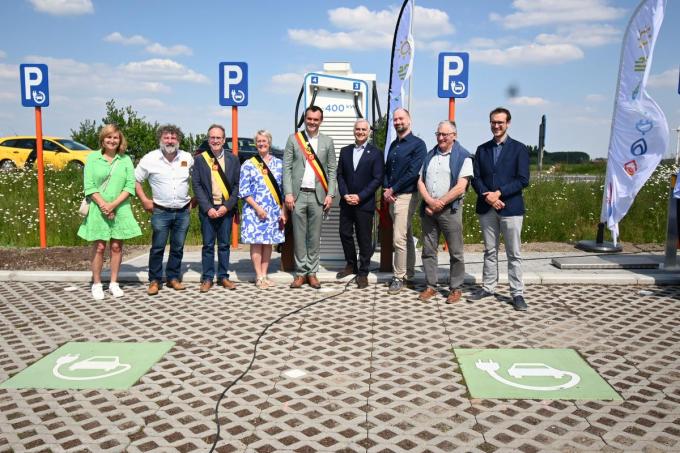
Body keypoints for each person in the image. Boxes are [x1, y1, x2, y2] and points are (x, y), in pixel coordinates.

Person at [470, 107, 530, 311]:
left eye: (500, 122)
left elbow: (523, 179)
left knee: (514, 253)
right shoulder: (482, 149)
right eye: (493, 122)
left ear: (508, 123)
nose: (496, 126)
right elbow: (476, 178)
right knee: (490, 251)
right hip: (487, 208)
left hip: (511, 208)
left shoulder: (519, 149)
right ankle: (488, 288)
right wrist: (488, 196)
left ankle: (517, 293)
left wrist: (499, 193)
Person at [77, 124, 141, 300]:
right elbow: (89, 186)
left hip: (120, 208)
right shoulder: (93, 158)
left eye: (115, 137)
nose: (112, 140)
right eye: (109, 137)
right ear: (102, 139)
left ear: (120, 140)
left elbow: (130, 186)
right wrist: (104, 205)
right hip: (98, 208)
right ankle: (97, 284)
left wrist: (113, 205)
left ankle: (114, 282)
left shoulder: (125, 160)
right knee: (99, 246)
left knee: (116, 246)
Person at [417, 120, 472, 304]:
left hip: (450, 211)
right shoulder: (430, 154)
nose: (440, 138)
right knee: (428, 250)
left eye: (445, 135)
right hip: (429, 210)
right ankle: (431, 286)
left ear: (454, 136)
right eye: (438, 134)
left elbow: (461, 186)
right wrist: (430, 201)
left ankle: (455, 289)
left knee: (456, 252)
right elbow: (420, 181)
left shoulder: (464, 156)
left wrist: (439, 203)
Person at [135, 124, 194, 296]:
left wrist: (195, 199)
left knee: (178, 247)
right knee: (158, 247)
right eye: (166, 137)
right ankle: (154, 280)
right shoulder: (150, 158)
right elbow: (135, 180)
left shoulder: (187, 157)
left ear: (178, 140)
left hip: (182, 211)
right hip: (160, 211)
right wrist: (144, 200)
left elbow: (199, 179)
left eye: (173, 138)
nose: (170, 141)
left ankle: (173, 278)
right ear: (160, 139)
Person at [283, 106, 337, 289]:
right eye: (309, 119)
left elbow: (332, 170)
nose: (312, 122)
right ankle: (300, 273)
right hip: (297, 196)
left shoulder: (328, 141)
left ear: (321, 121)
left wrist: (330, 193)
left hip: (318, 196)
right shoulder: (294, 139)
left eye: (316, 119)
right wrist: (288, 193)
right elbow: (287, 168)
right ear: (305, 119)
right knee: (299, 236)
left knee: (314, 236)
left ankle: (312, 273)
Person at [383, 108, 427, 294]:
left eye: (401, 118)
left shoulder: (418, 144)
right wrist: (386, 189)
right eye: (395, 119)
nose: (398, 122)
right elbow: (387, 169)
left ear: (409, 120)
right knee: (406, 236)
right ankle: (409, 274)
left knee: (398, 238)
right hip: (392, 196)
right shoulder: (394, 144)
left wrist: (393, 189)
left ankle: (398, 277)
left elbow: (413, 173)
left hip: (407, 195)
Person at [192, 124, 240, 292]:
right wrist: (207, 208)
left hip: (225, 210)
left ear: (224, 140)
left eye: (218, 137)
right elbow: (196, 185)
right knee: (208, 245)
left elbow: (237, 186)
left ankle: (223, 277)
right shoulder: (200, 159)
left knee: (224, 245)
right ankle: (207, 278)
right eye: (212, 137)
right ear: (208, 139)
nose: (215, 140)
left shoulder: (233, 159)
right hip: (208, 210)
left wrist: (227, 206)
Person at [336, 119, 383, 289]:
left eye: (364, 129)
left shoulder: (376, 153)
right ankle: (351, 265)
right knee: (344, 233)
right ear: (354, 131)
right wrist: (345, 194)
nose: (360, 132)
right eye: (358, 129)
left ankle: (363, 272)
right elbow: (340, 175)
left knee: (364, 238)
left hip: (364, 203)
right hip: (346, 202)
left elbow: (377, 178)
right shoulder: (345, 151)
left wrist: (360, 196)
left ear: (369, 132)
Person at [239, 130, 286, 289]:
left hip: (273, 211)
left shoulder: (279, 164)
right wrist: (258, 208)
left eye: (264, 141)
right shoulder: (249, 164)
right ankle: (258, 276)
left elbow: (283, 190)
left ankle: (265, 275)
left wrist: (283, 211)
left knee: (268, 243)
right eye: (259, 141)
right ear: (255, 143)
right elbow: (244, 191)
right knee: (257, 243)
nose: (261, 144)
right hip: (254, 211)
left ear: (269, 142)